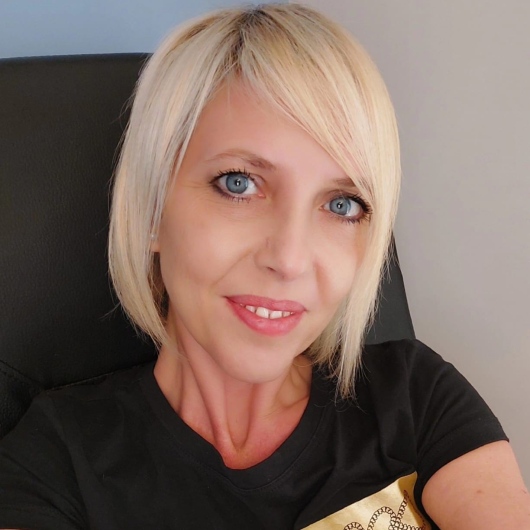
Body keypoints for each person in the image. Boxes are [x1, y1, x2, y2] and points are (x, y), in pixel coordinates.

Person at [0, 4, 528, 529]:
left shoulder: (413, 396)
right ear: (152, 211)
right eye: (239, 184)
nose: (290, 259)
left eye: (342, 204)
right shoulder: (54, 464)